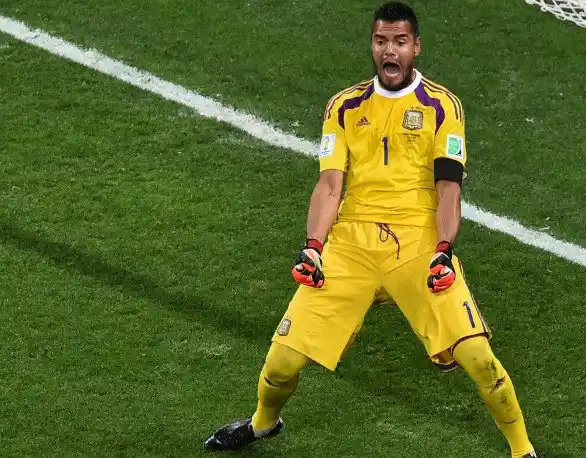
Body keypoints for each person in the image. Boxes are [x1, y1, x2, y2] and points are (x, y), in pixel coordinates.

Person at [204, 3, 537, 457]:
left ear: (416, 47)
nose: (389, 51)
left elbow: (449, 189)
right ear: (372, 45)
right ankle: (264, 423)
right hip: (351, 245)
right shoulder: (344, 106)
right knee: (282, 362)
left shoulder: (442, 106)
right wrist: (314, 248)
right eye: (381, 41)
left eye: (400, 41)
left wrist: (442, 250)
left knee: (478, 358)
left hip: (417, 243)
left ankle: (522, 450)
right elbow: (329, 184)